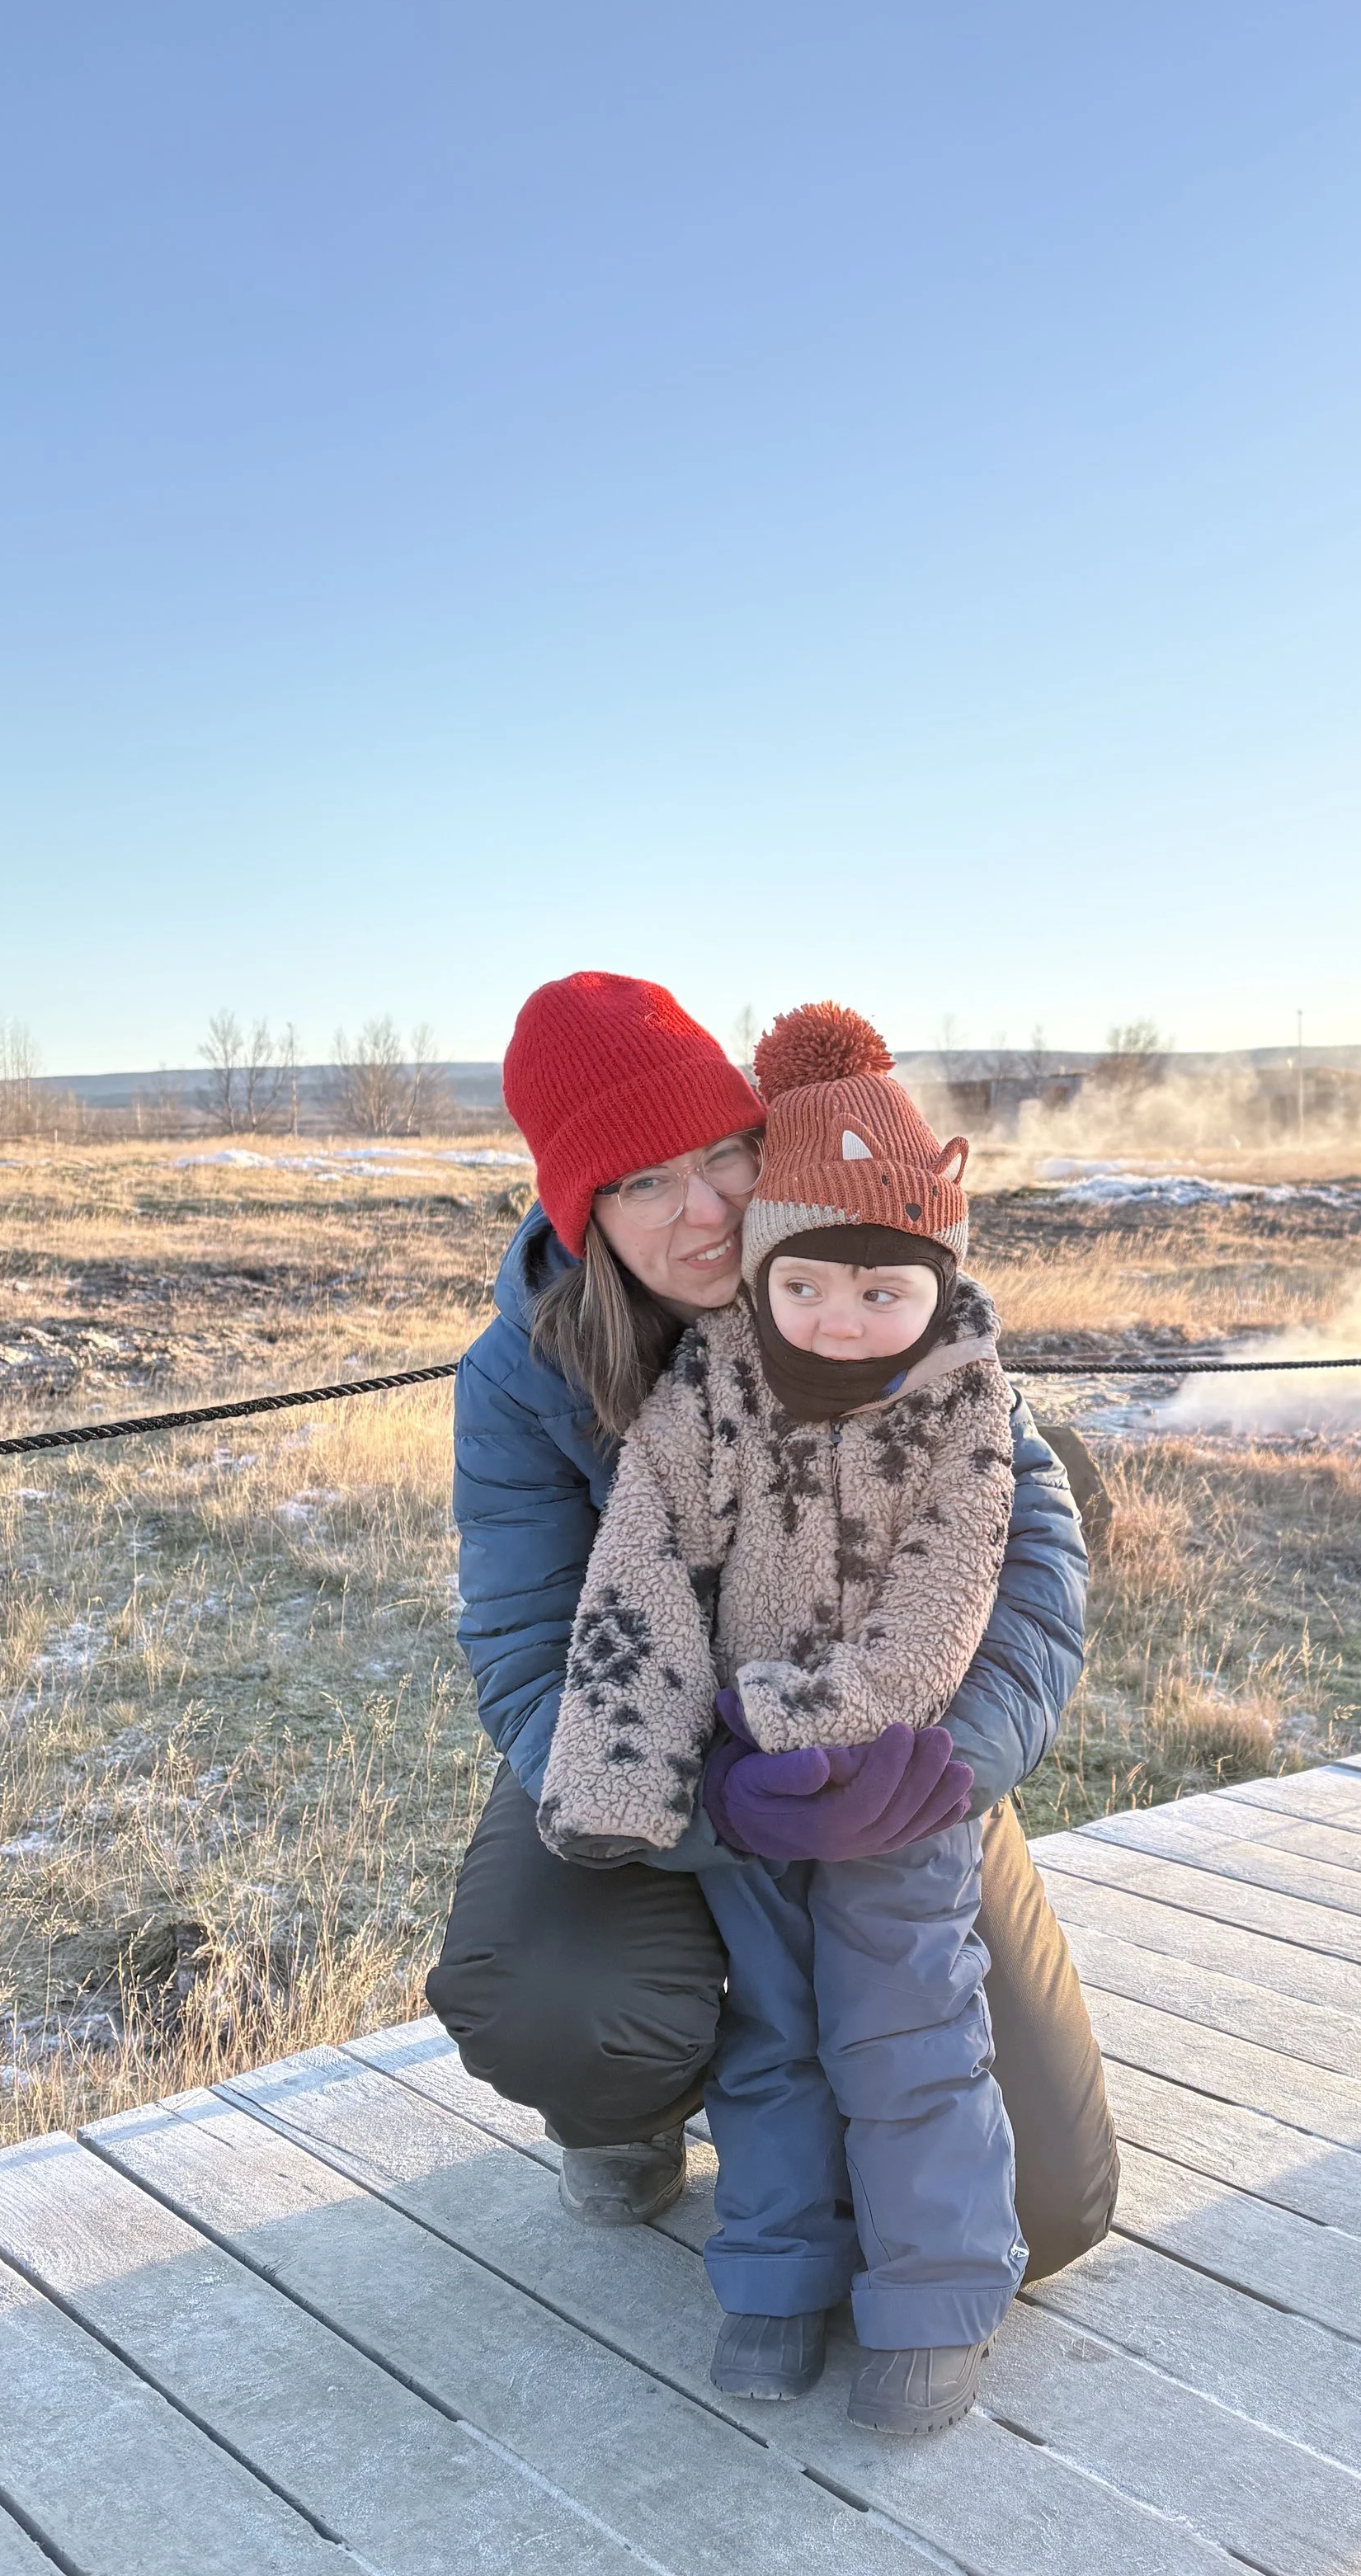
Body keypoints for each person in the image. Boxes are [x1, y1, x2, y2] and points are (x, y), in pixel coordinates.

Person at [426, 971, 1117, 2294]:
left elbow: (1032, 1556)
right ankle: (622, 2104)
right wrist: (728, 1808)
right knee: (557, 2004)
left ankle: (842, 2067)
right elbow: (523, 1657)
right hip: (643, 1741)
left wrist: (942, 1766)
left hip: (896, 1752)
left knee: (1045, 2209)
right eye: (640, 1183)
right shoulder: (520, 1380)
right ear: (584, 1213)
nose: (705, 1209)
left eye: (725, 1153)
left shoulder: (874, 1268)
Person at [542, 1001, 1024, 2432]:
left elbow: (966, 1578)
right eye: (638, 1182)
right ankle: (769, 2272)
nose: (845, 1318)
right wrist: (651, 1784)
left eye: (885, 1290)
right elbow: (633, 1582)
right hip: (742, 1786)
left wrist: (893, 1734)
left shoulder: (960, 1394)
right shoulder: (699, 1399)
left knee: (908, 2023)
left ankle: (938, 2292)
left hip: (897, 1775)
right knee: (775, 2030)